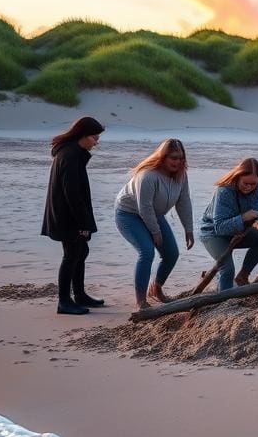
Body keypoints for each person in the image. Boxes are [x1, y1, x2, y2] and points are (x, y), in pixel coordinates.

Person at [115, 138, 194, 311]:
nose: (177, 162)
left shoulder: (181, 175)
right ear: (163, 157)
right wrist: (155, 232)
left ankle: (156, 288)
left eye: (181, 158)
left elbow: (184, 201)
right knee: (147, 251)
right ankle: (141, 301)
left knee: (171, 253)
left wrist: (188, 229)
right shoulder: (148, 175)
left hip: (154, 214)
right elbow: (144, 207)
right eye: (173, 158)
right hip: (129, 214)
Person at [41, 116, 105, 315]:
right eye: (94, 137)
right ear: (83, 135)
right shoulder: (70, 155)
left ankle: (79, 294)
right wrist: (83, 223)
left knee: (80, 252)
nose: (97, 142)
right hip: (66, 216)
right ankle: (64, 301)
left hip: (66, 214)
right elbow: (72, 194)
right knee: (71, 255)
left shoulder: (72, 152)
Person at [199, 157, 258, 291]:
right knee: (227, 269)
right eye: (245, 183)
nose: (249, 187)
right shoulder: (224, 191)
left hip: (239, 230)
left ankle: (243, 276)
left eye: (253, 184)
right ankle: (224, 302)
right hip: (213, 233)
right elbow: (219, 227)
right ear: (237, 177)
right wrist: (243, 217)